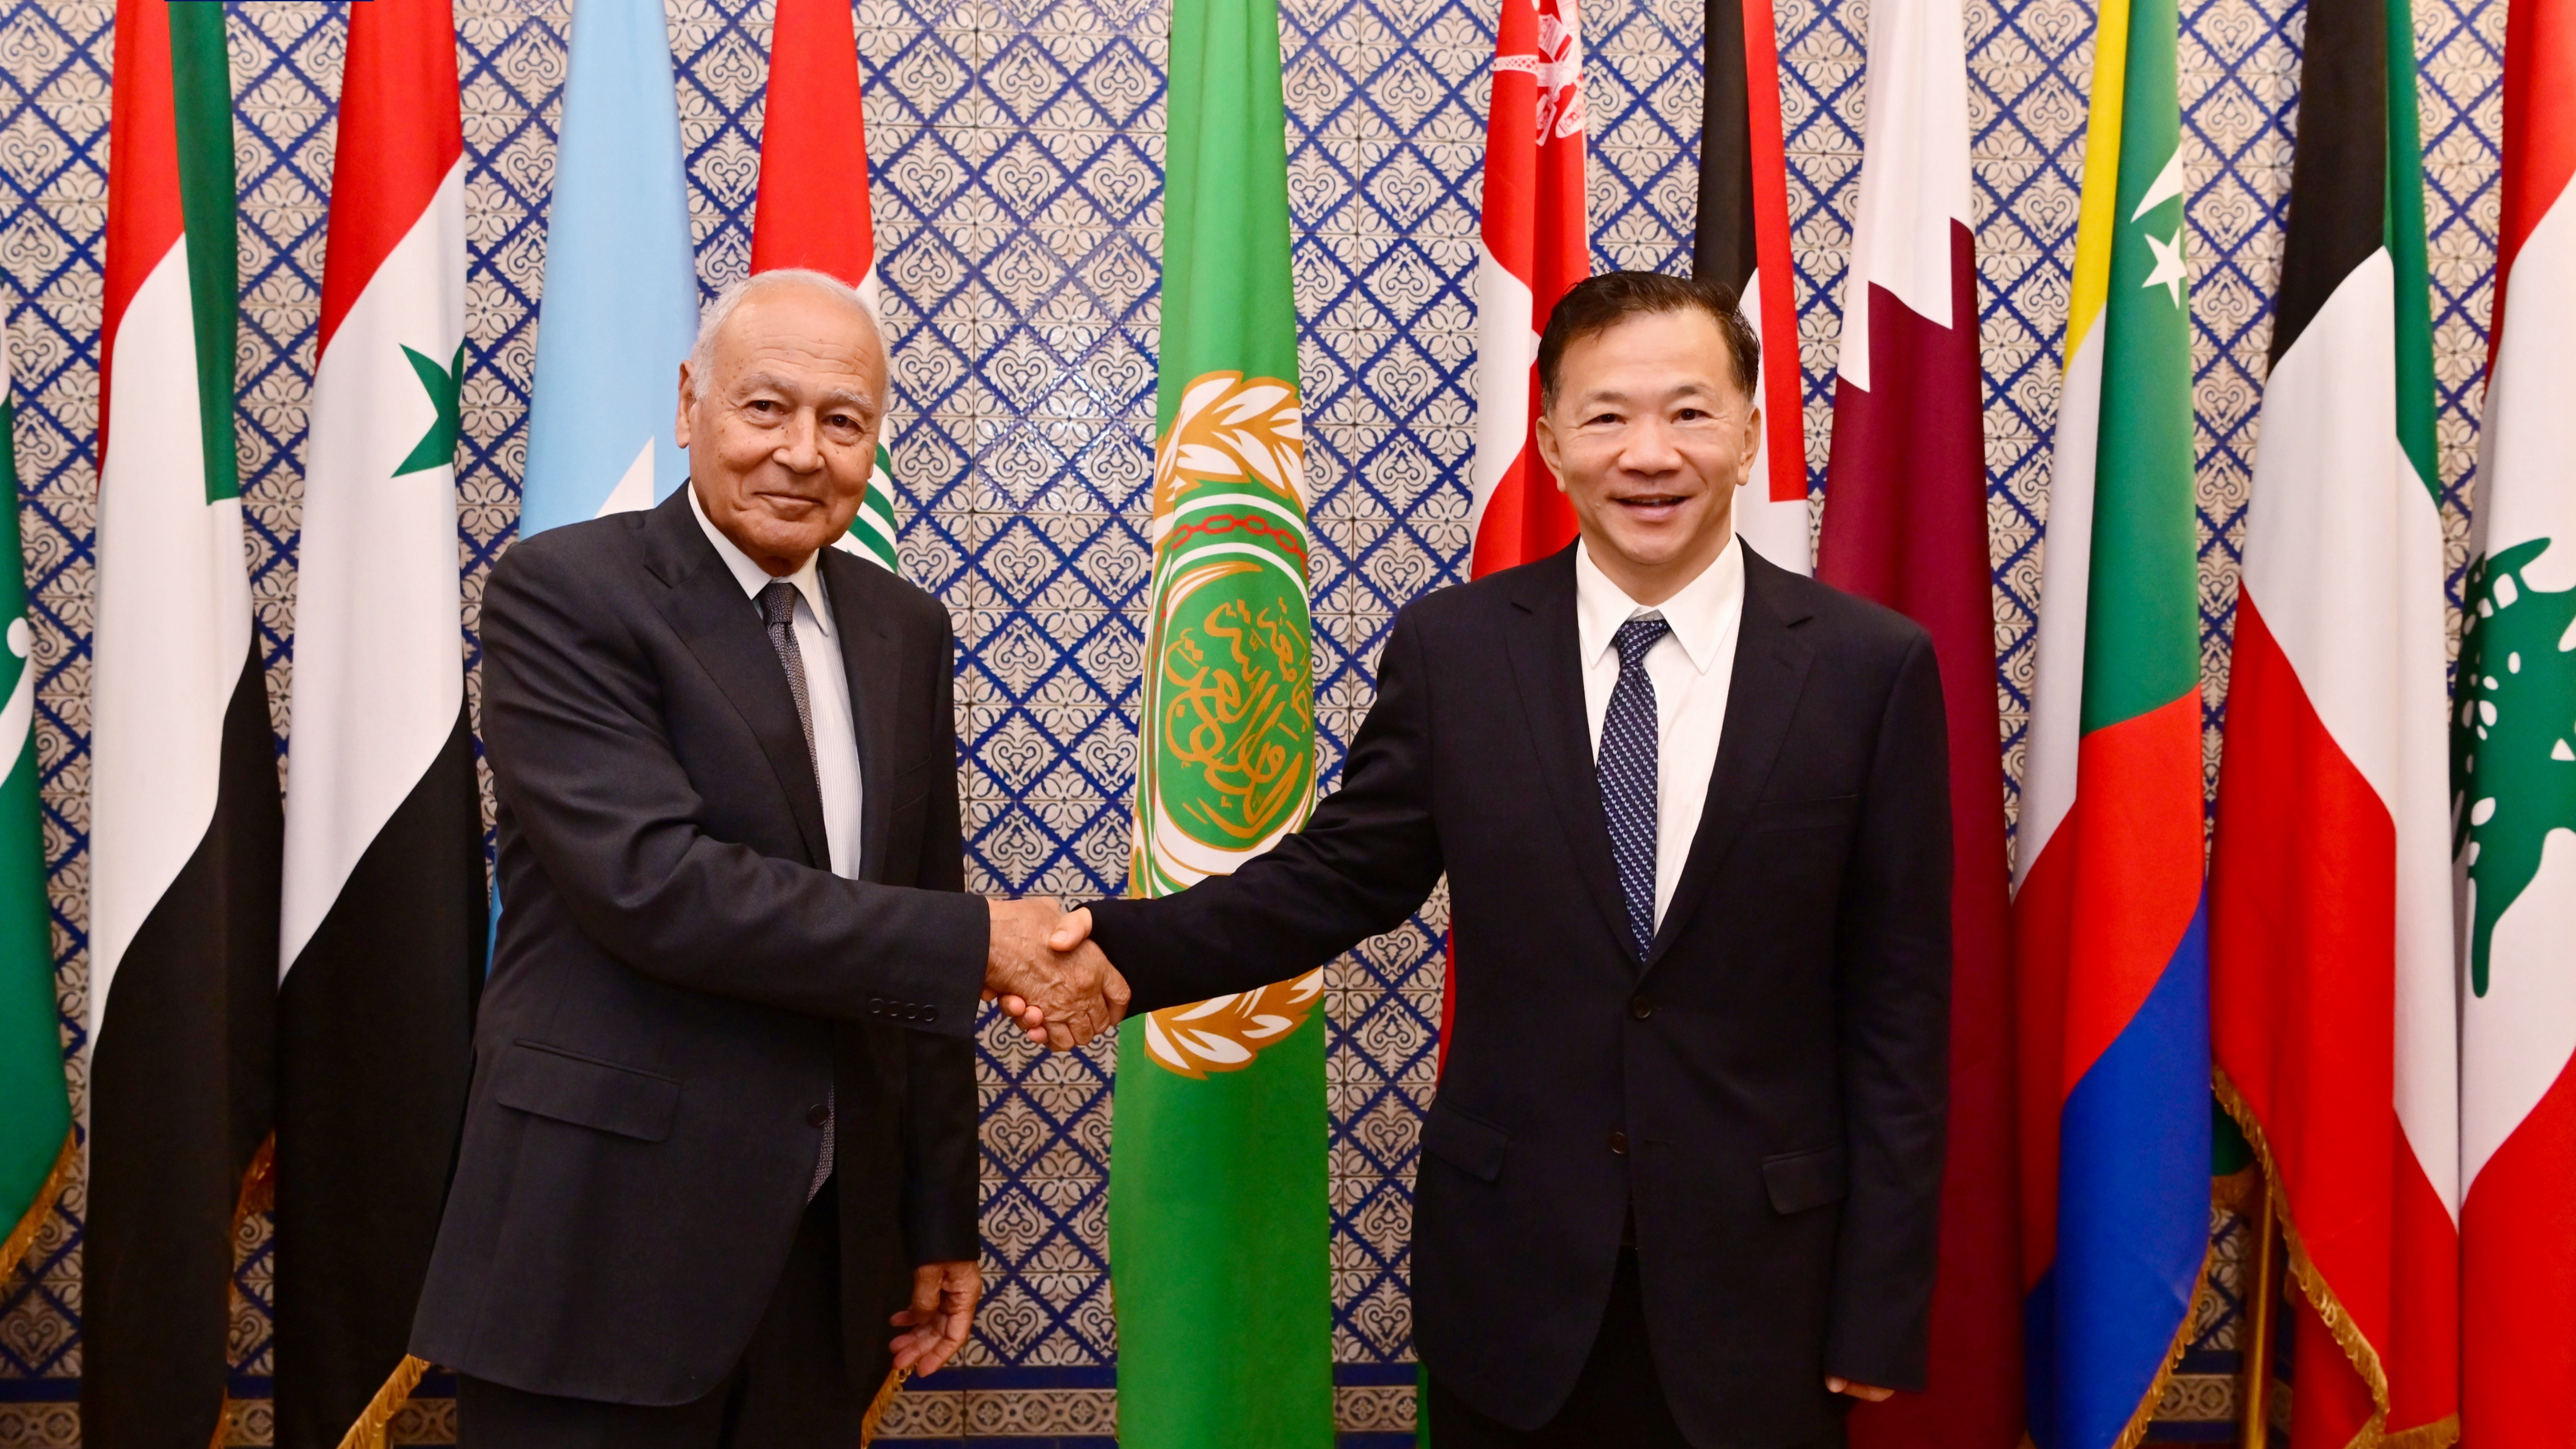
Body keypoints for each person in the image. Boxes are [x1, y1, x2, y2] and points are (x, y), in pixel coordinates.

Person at [1020, 272, 1953, 1448]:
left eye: (1690, 411)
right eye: (1608, 415)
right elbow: (1340, 877)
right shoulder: (1457, 649)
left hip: (1767, 1291)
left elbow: (1901, 1012)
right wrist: (1110, 951)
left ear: (1752, 430)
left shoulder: (1870, 670)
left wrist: (1880, 1305)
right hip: (1514, 1281)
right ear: (1552, 436)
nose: (1650, 453)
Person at [410, 269, 1109, 1448]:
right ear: (692, 403)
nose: (803, 452)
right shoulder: (565, 592)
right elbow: (657, 887)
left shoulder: (903, 626)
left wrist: (939, 1212)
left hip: (827, 1256)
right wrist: (984, 940)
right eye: (765, 408)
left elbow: (916, 911)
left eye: (843, 422)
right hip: (601, 1247)